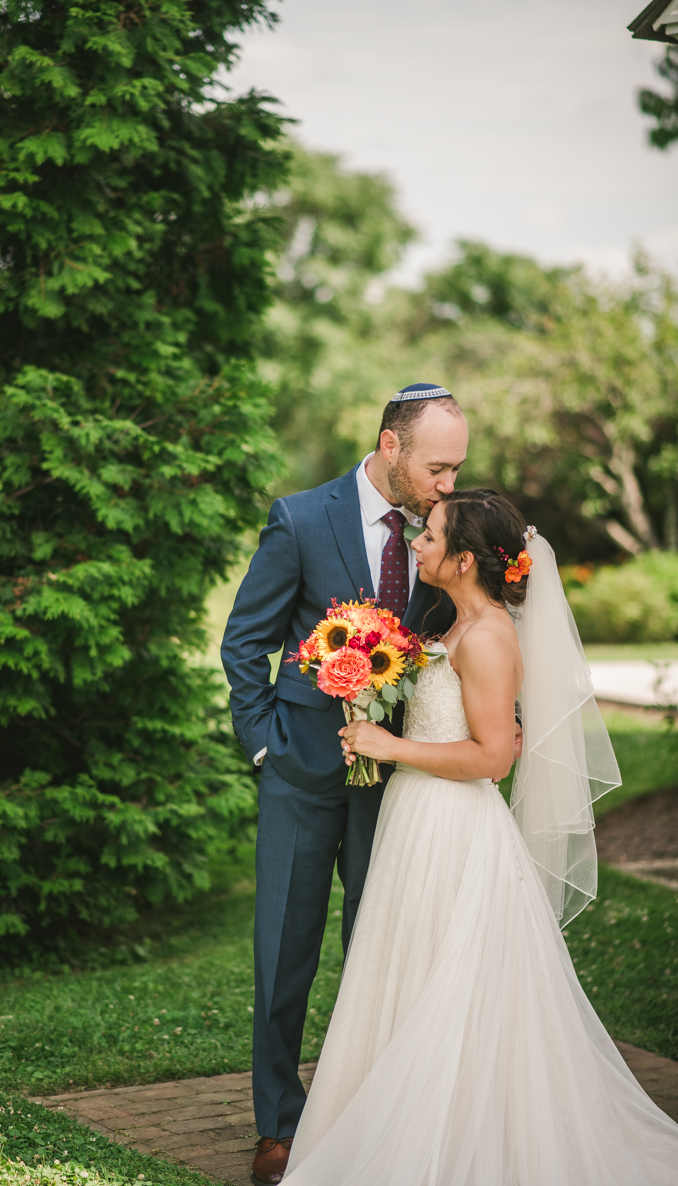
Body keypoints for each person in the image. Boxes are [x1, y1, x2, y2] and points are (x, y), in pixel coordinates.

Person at [281, 490, 678, 1185]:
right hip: (419, 821)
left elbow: (494, 758)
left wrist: (389, 744)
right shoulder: (453, 623)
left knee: (453, 988)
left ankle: (447, 1142)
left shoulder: (490, 636)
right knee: (412, 977)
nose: (418, 545)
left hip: (455, 832)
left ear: (465, 560)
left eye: (431, 537)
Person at [221, 384, 475, 1185]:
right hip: (301, 770)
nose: (448, 484)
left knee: (381, 945)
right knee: (284, 952)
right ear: (391, 446)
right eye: (438, 467)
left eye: (458, 468)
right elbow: (244, 643)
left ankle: (369, 1108)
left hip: (400, 778)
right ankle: (279, 1125)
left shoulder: (446, 528)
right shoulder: (299, 518)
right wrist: (267, 746)